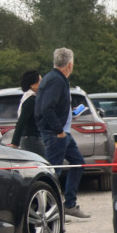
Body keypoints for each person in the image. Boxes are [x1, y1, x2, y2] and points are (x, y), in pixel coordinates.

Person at [35, 48, 89, 218]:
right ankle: (47, 210)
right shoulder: (56, 80)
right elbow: (46, 108)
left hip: (63, 133)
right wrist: (58, 130)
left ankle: (69, 204)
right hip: (56, 134)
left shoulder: (55, 78)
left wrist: (69, 112)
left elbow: (51, 106)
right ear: (70, 65)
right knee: (52, 174)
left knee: (78, 163)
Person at [11, 70, 44, 156]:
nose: (42, 83)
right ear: (32, 85)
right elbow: (22, 121)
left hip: (34, 138)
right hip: (31, 139)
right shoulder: (30, 100)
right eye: (40, 81)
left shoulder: (34, 98)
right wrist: (14, 143)